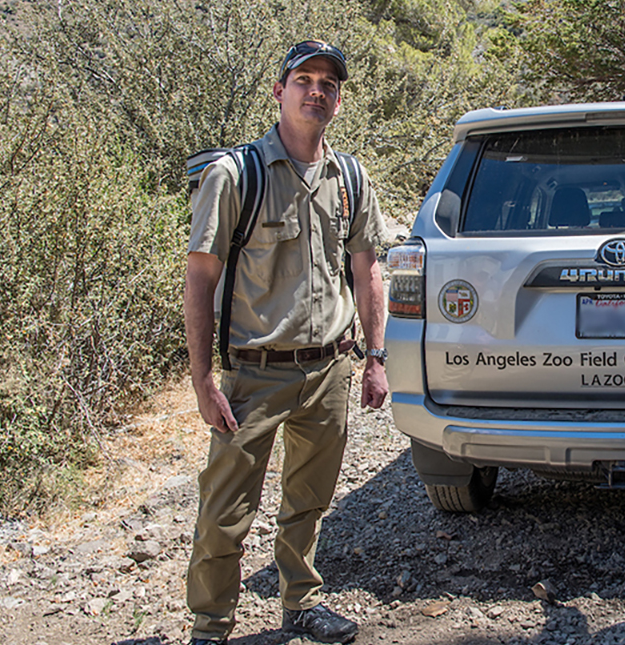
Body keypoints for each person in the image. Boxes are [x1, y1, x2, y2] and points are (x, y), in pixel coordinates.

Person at [183, 40, 389, 645]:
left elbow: (367, 267)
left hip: (329, 370)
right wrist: (201, 380)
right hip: (253, 373)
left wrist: (375, 358)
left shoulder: (349, 176)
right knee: (225, 514)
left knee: (309, 501)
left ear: (338, 98)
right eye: (304, 79)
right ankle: (210, 628)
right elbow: (200, 275)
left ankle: (301, 605)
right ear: (279, 91)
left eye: (328, 82)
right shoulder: (235, 174)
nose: (316, 90)